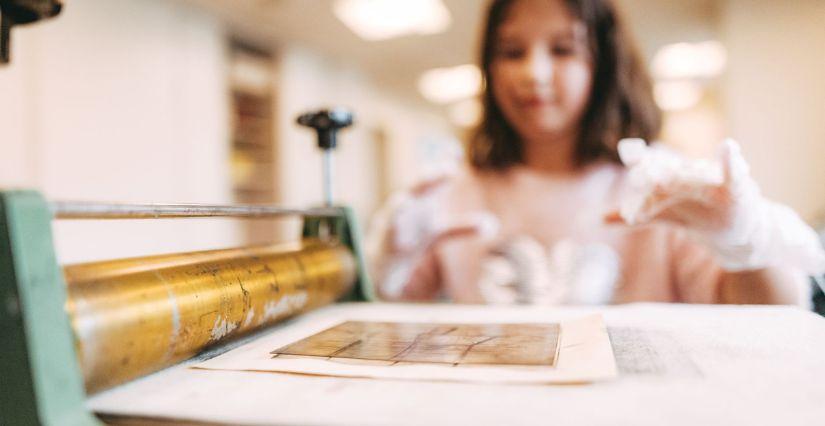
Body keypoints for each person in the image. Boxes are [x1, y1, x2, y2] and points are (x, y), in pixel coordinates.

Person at [366, 0, 825, 305]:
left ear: (602, 65)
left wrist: (743, 242)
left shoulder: (660, 184)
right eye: (511, 51)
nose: (534, 74)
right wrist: (389, 263)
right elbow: (397, 311)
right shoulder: (456, 189)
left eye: (563, 49)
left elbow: (774, 314)